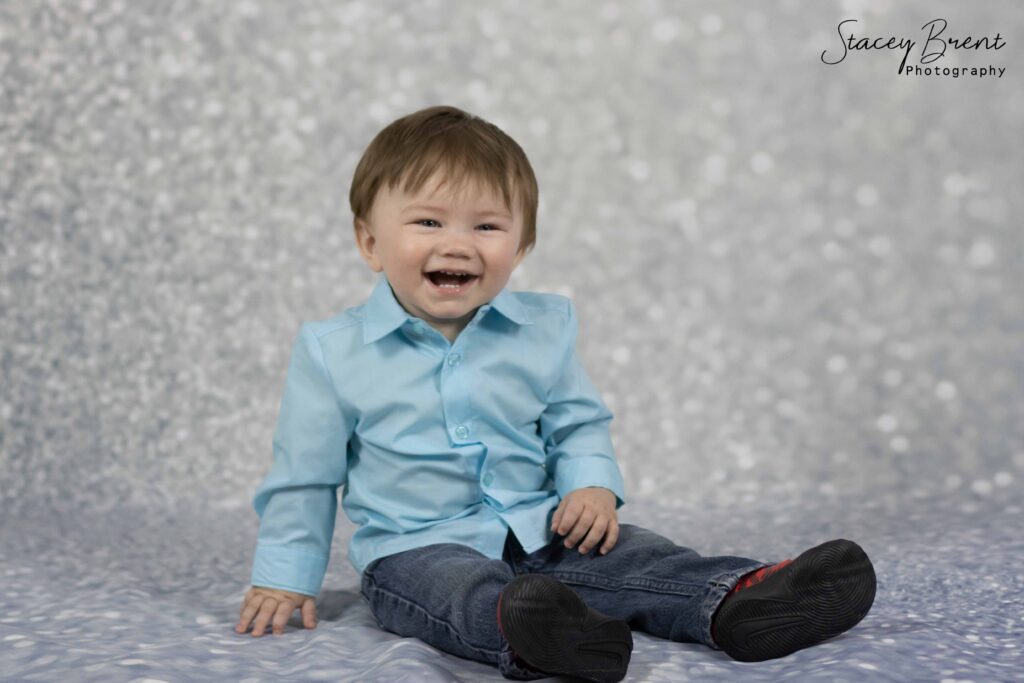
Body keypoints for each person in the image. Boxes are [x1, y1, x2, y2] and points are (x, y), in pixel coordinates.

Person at [234, 105, 876, 681]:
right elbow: (305, 477)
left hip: (540, 527)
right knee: (457, 590)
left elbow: (575, 424)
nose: (457, 243)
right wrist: (283, 575)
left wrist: (591, 485)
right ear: (369, 241)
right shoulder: (332, 350)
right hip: (413, 548)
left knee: (635, 555)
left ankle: (736, 600)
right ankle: (535, 634)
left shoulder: (543, 329)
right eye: (427, 221)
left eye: (487, 227)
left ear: (522, 246)